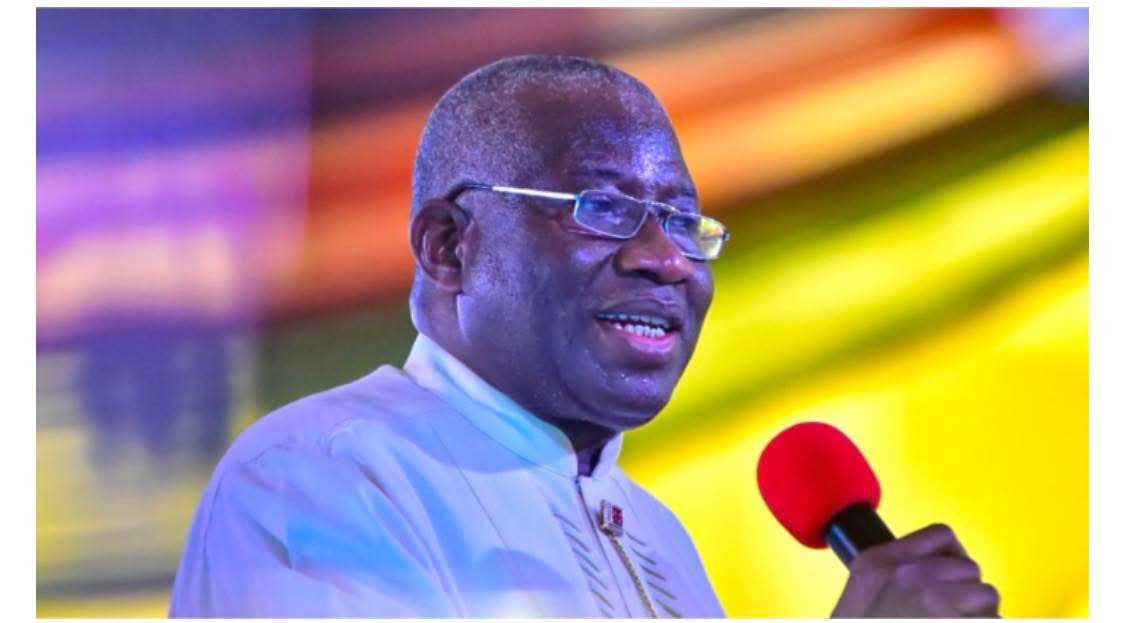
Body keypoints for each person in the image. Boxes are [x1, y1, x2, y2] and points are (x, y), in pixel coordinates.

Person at [169, 54, 999, 618]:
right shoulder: (324, 475)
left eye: (682, 219)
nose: (664, 258)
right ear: (450, 246)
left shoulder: (656, 533)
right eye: (601, 207)